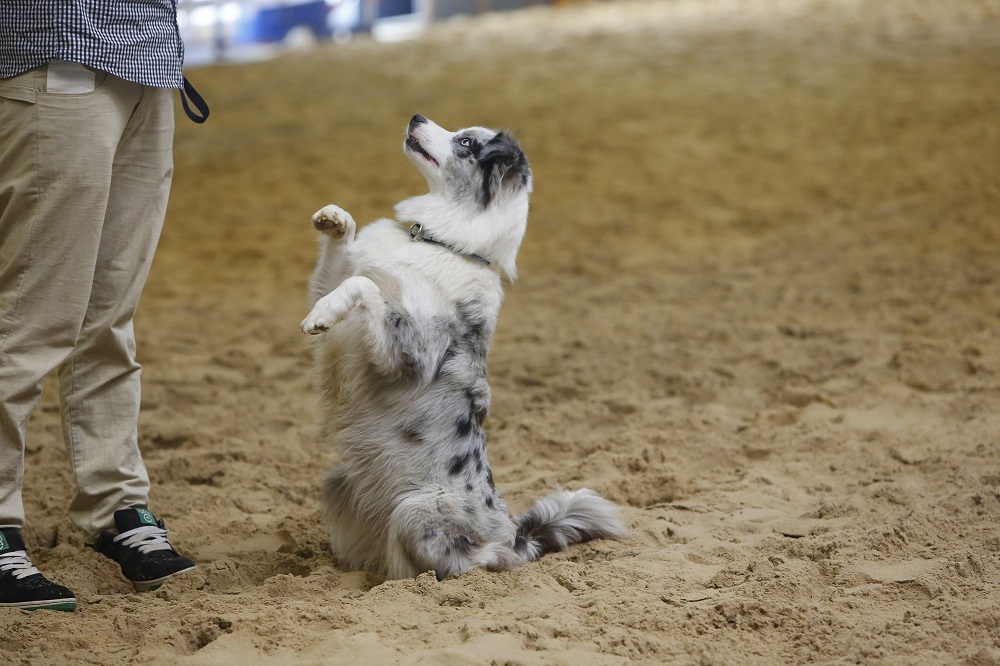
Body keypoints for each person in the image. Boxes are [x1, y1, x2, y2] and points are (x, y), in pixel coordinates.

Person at [0, 1, 208, 611]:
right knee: (31, 319)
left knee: (109, 315)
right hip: (54, 49)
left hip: (147, 63)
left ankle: (114, 505)